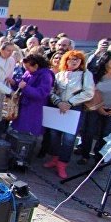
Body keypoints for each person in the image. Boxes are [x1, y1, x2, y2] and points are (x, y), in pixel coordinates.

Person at [44, 50, 94, 179]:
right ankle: (54, 158)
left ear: (81, 62)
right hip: (58, 107)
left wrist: (70, 103)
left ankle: (62, 164)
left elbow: (89, 92)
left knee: (69, 139)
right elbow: (51, 91)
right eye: (70, 59)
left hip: (74, 109)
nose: (73, 61)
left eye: (76, 59)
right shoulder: (60, 75)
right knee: (54, 135)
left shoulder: (85, 75)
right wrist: (59, 102)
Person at [79, 51, 111, 165]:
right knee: (89, 131)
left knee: (106, 134)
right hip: (95, 109)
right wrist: (98, 107)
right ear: (106, 61)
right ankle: (85, 155)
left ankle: (99, 157)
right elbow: (90, 92)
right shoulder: (95, 75)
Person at [11, 54, 54, 138]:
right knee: (19, 132)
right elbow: (21, 84)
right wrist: (14, 83)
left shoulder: (46, 75)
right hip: (24, 106)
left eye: (28, 67)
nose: (26, 69)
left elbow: (42, 93)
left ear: (36, 66)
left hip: (35, 108)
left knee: (28, 133)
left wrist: (26, 87)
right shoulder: (29, 72)